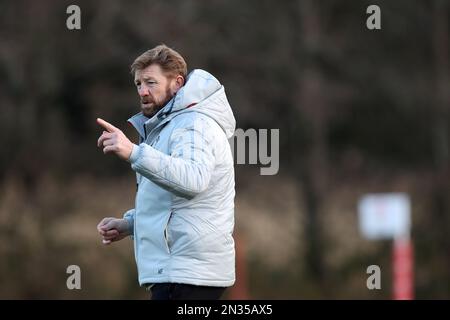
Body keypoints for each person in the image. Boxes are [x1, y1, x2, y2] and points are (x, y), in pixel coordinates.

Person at [96, 44, 236, 300]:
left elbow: (194, 180)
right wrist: (130, 224)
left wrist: (134, 152)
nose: (143, 91)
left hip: (186, 273)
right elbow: (174, 206)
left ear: (177, 83)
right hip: (181, 272)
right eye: (138, 83)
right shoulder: (171, 126)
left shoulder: (193, 124)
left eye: (151, 82)